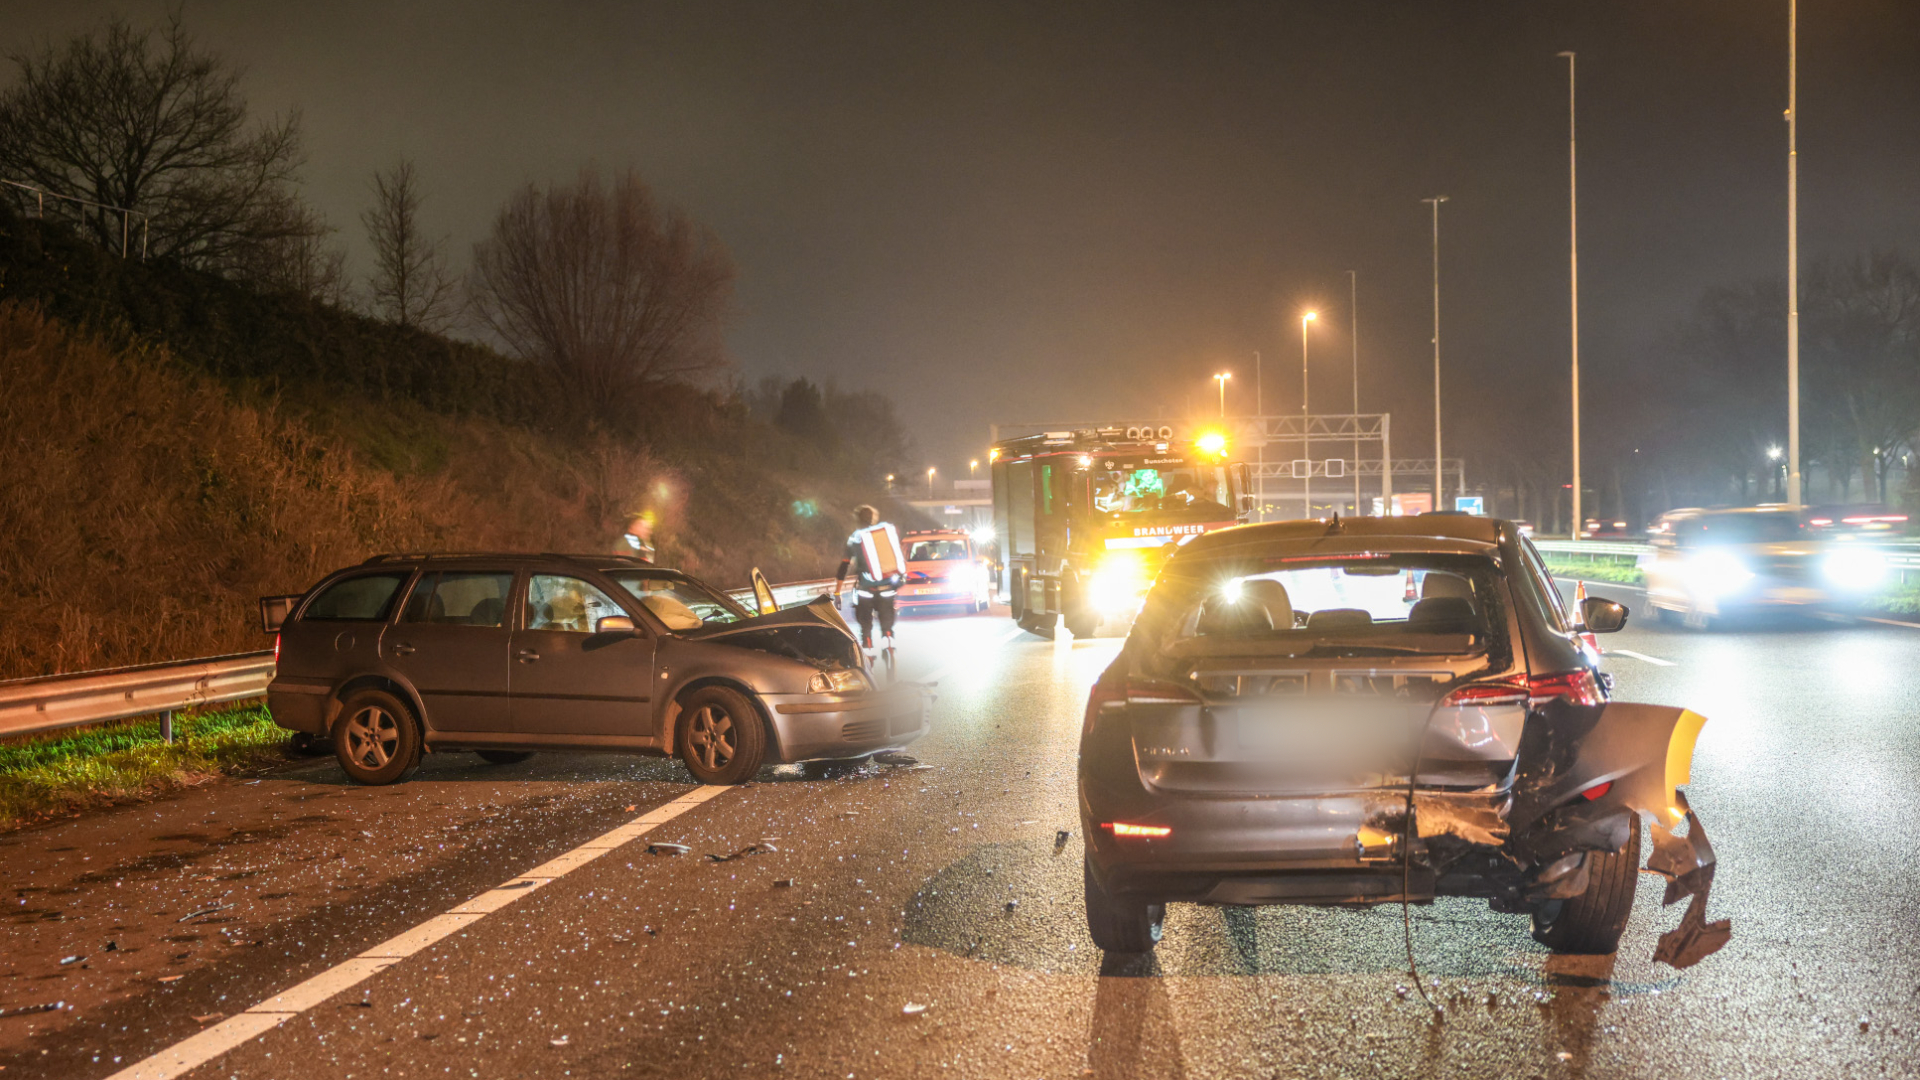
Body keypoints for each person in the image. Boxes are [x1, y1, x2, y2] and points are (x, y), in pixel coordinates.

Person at [833, 505, 903, 664]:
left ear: (857, 519)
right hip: (887, 589)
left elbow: (844, 566)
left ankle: (869, 653)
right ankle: (889, 645)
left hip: (865, 591)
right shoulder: (883, 535)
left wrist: (837, 593)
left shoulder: (855, 538)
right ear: (873, 518)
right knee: (887, 623)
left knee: (865, 625)